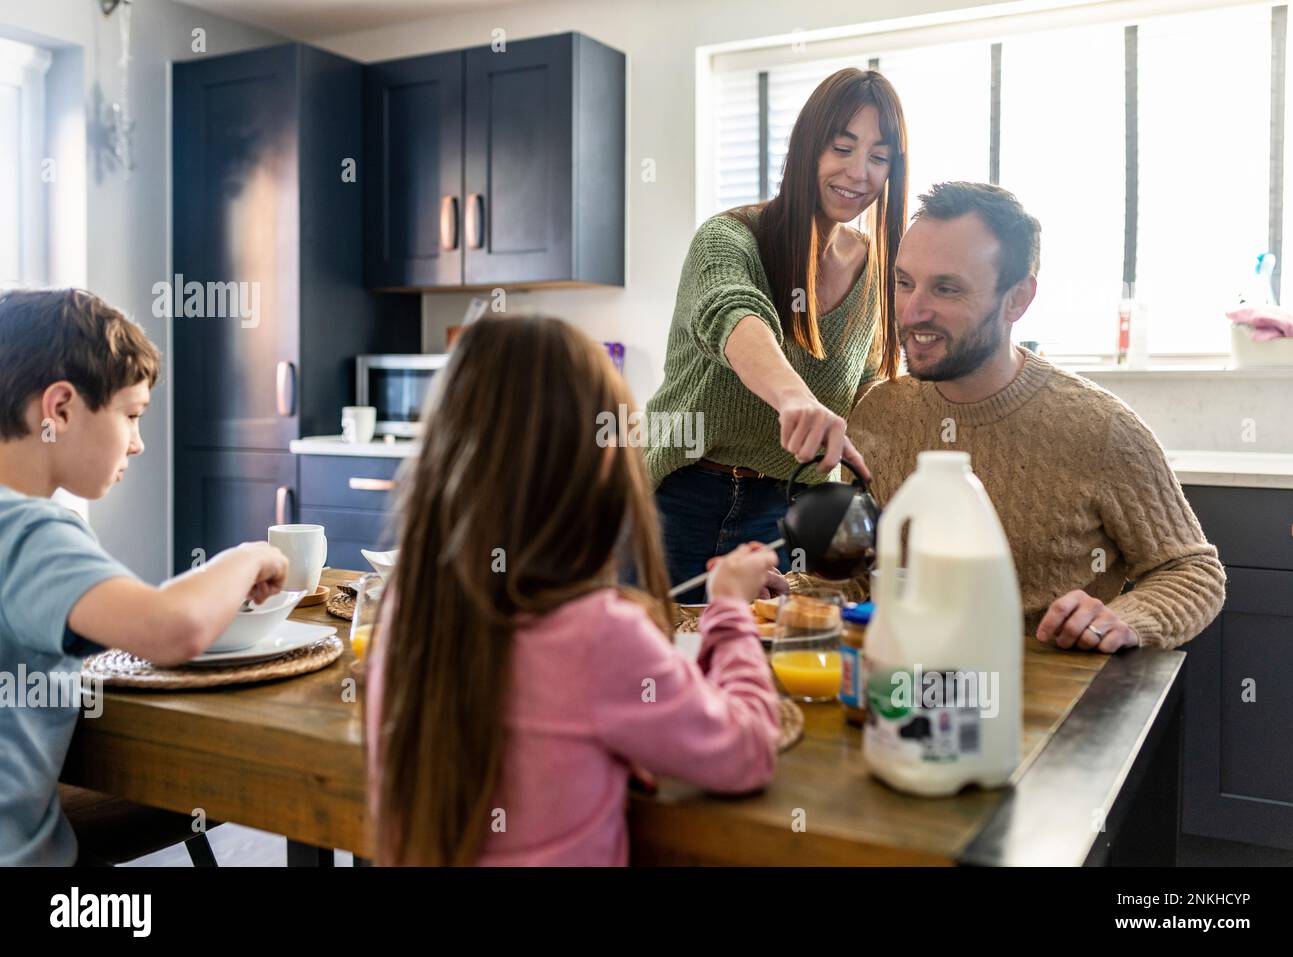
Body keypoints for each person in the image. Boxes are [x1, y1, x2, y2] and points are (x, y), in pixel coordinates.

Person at [367, 315, 781, 866]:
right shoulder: (601, 636)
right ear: (606, 455)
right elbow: (748, 750)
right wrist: (728, 607)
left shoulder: (407, 604)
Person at [805, 182, 1226, 651]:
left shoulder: (1102, 429)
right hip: (903, 690)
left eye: (946, 288)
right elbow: (860, 576)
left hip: (1046, 700)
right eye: (904, 283)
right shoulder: (877, 412)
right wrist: (788, 590)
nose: (913, 310)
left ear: (1018, 299)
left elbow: (1192, 572)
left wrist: (1121, 618)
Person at [0, 288, 288, 865]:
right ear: (59, 408)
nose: (138, 442)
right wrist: (248, 556)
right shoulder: (28, 530)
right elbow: (171, 627)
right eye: (131, 415)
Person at [644, 68, 909, 600]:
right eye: (843, 147)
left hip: (789, 515)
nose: (859, 173)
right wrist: (794, 399)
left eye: (879, 157)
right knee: (656, 664)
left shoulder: (876, 271)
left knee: (761, 666)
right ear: (807, 148)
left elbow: (865, 392)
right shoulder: (728, 237)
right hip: (679, 498)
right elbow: (733, 312)